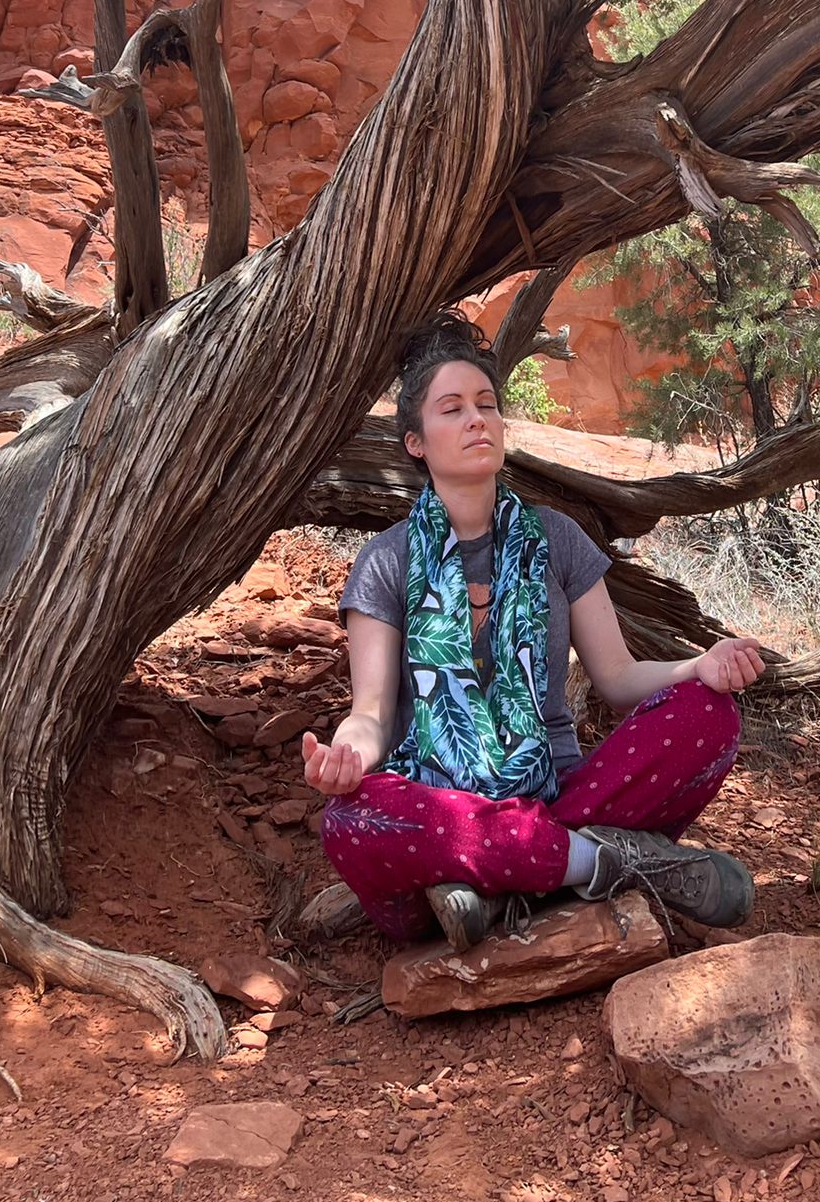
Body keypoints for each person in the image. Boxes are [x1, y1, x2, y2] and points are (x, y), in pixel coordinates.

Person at [302, 312, 763, 950]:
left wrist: (696, 668)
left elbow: (620, 679)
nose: (476, 420)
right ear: (415, 441)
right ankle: (603, 864)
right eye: (452, 408)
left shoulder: (556, 539)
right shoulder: (388, 559)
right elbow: (373, 715)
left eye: (487, 405)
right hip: (440, 805)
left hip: (553, 793)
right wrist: (348, 755)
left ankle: (495, 883)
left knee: (708, 716)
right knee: (350, 819)